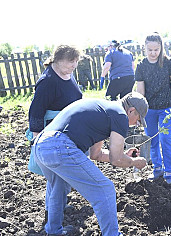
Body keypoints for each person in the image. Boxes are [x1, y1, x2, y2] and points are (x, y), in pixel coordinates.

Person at [32, 92, 148, 236]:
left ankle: (54, 231)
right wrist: (134, 162)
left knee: (58, 186)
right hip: (59, 145)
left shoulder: (105, 109)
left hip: (41, 145)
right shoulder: (120, 115)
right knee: (105, 189)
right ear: (131, 111)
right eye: (138, 119)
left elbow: (96, 154)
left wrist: (126, 157)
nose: (136, 124)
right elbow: (116, 159)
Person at [27, 45, 82, 228]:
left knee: (62, 176)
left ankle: (56, 206)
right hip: (52, 134)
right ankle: (52, 213)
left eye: (76, 61)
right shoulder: (48, 81)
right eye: (70, 61)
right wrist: (37, 141)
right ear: (58, 60)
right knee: (58, 176)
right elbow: (35, 111)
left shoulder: (69, 74)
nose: (74, 64)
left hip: (68, 130)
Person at [135, 32, 171, 184]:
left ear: (161, 48)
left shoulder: (167, 62)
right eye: (150, 50)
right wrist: (140, 112)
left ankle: (170, 171)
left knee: (166, 139)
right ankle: (157, 168)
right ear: (144, 49)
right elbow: (140, 92)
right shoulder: (141, 66)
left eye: (156, 49)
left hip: (166, 107)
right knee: (152, 139)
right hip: (149, 109)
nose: (153, 53)